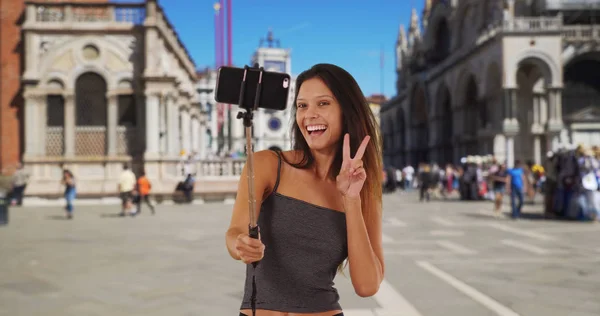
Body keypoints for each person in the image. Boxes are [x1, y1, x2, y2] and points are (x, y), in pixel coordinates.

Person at [225, 63, 384, 316]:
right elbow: (235, 231)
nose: (309, 115)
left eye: (323, 103)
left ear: (347, 111)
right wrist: (240, 244)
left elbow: (367, 286)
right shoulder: (267, 164)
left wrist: (351, 200)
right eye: (302, 105)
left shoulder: (363, 190)